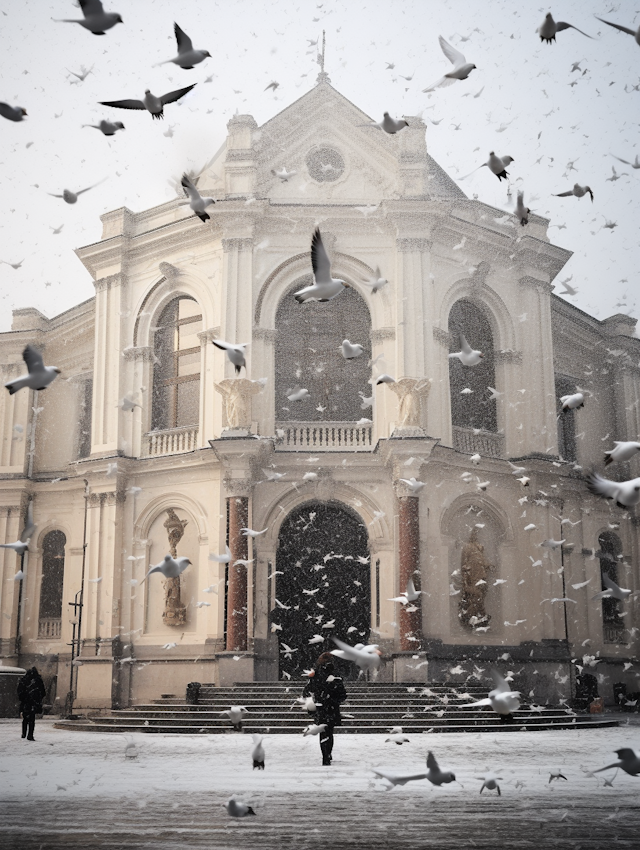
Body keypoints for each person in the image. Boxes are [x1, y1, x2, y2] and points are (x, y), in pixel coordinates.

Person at [303, 652, 347, 765]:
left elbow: (307, 691)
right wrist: (332, 699)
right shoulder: (335, 675)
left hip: (321, 707)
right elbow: (342, 695)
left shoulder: (316, 674)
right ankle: (327, 754)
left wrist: (313, 701)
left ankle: (325, 756)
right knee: (329, 731)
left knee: (323, 732)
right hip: (330, 707)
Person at [17, 667, 46, 741]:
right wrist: (38, 699)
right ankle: (30, 735)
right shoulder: (38, 680)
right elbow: (43, 692)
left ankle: (24, 734)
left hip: (25, 702)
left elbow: (19, 692)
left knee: (25, 718)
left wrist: (23, 698)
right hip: (33, 702)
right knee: (31, 719)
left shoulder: (24, 680)